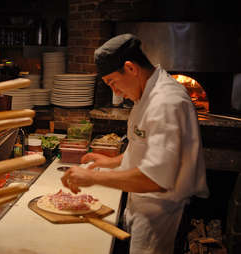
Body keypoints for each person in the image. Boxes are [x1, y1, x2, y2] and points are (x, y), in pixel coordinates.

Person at [61, 34, 209, 254]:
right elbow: (144, 148)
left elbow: (155, 179)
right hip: (142, 203)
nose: (115, 92)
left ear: (130, 68)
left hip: (161, 213)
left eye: (112, 82)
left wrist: (93, 177)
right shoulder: (146, 92)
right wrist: (113, 161)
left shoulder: (166, 103)